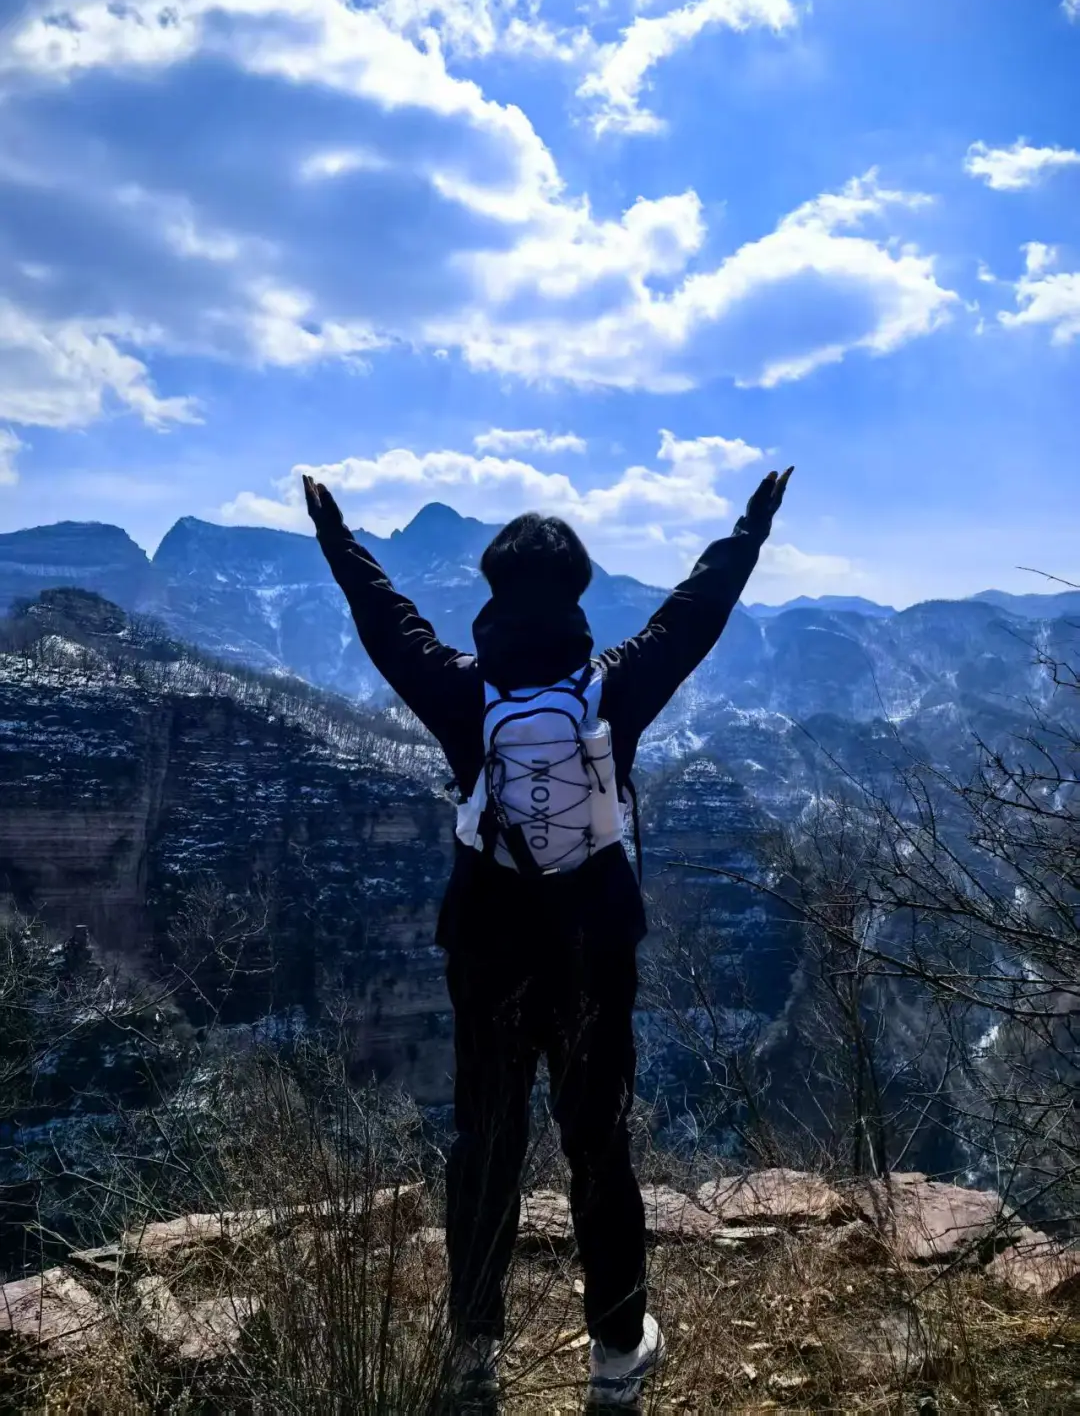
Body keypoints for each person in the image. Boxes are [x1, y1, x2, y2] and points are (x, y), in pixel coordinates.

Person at [304, 467, 793, 1408]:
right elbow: (695, 612)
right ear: (577, 593)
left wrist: (336, 538)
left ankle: (474, 1355)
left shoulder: (461, 693)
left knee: (486, 1141)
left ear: (491, 592)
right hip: (593, 945)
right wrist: (750, 528)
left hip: (487, 943)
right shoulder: (613, 691)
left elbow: (385, 619)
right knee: (598, 1142)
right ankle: (615, 1355)